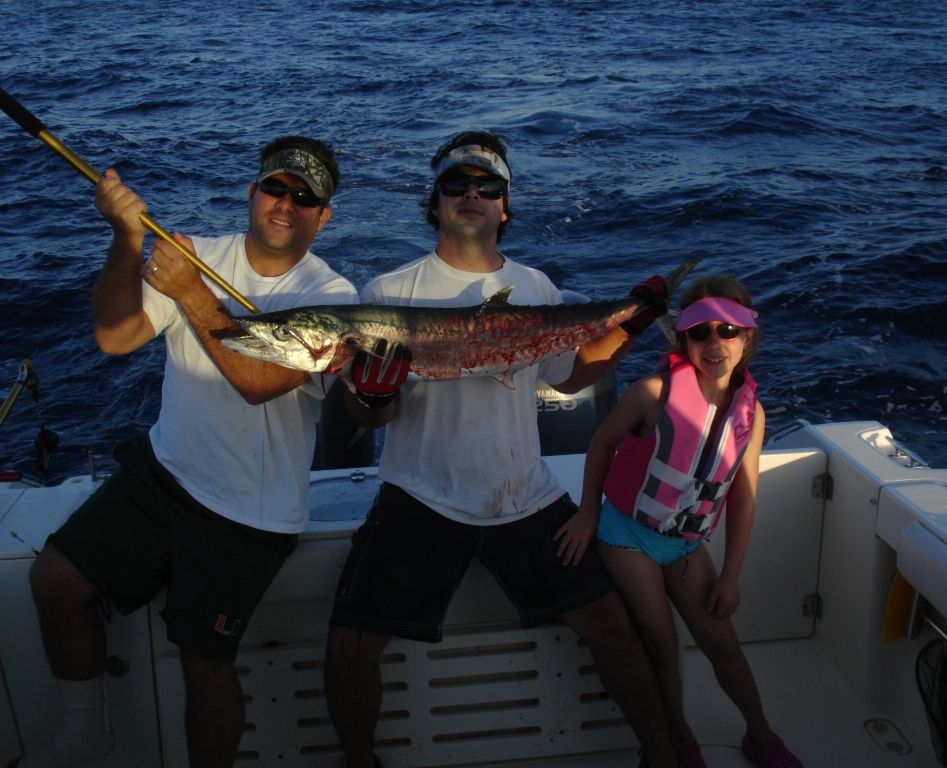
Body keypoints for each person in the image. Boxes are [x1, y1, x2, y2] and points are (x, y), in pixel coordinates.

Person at [322, 130, 684, 768]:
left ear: (505, 207)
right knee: (350, 645)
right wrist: (374, 396)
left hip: (523, 492)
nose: (471, 195)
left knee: (610, 624)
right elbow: (358, 408)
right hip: (420, 493)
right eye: (455, 185)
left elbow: (570, 376)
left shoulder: (537, 287)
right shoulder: (388, 291)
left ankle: (663, 755)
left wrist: (628, 325)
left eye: (487, 186)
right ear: (433, 203)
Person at [17, 136, 358, 768]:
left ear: (323, 216)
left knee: (204, 666)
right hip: (163, 471)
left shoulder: (336, 298)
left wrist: (194, 295)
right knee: (54, 580)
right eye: (276, 188)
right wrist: (125, 239)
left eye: (305, 197)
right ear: (251, 193)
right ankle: (82, 731)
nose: (286, 204)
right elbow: (115, 337)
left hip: (248, 512)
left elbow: (259, 384)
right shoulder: (194, 255)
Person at [564, 275, 803, 768]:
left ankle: (760, 735)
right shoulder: (651, 392)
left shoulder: (749, 414)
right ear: (682, 339)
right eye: (700, 332)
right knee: (664, 644)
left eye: (728, 331)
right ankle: (678, 738)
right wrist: (588, 512)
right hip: (627, 537)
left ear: (747, 337)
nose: (714, 343)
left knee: (722, 643)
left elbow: (743, 495)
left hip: (686, 546)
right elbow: (601, 446)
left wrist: (732, 575)